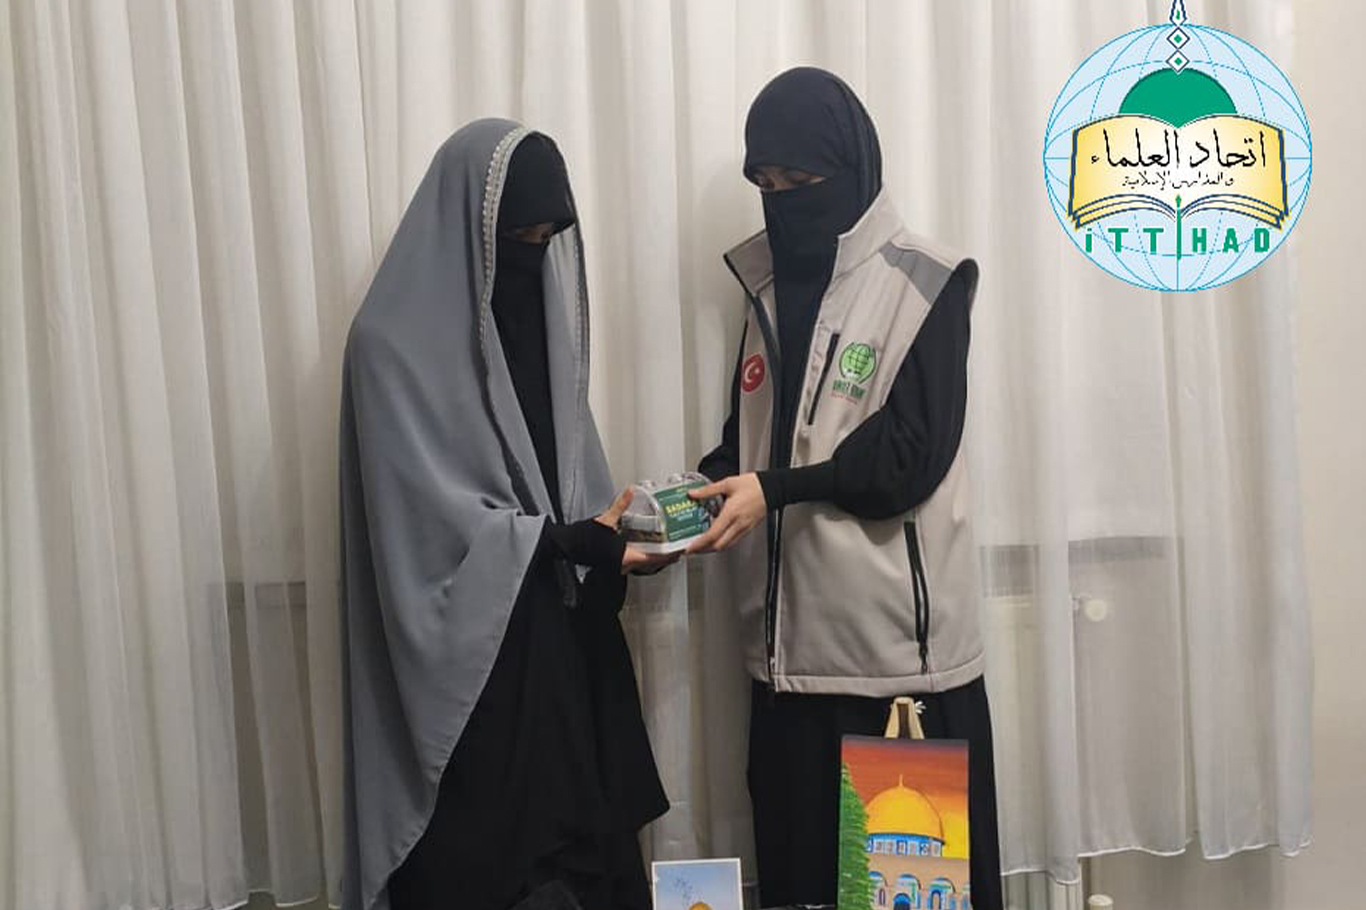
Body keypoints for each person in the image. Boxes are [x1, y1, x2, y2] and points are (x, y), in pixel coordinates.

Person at [688, 68, 1003, 910]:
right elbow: (753, 441)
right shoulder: (763, 289)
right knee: (800, 892)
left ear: (851, 169)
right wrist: (693, 499)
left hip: (894, 681)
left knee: (903, 898)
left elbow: (906, 461)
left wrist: (772, 489)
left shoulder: (926, 282)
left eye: (801, 180)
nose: (782, 202)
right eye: (766, 183)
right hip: (784, 678)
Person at [339, 120, 673, 910]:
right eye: (519, 238)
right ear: (471, 229)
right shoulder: (387, 350)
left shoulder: (542, 334)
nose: (534, 256)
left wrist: (617, 533)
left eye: (549, 238)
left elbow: (571, 478)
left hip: (564, 659)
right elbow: (417, 535)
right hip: (469, 684)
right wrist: (564, 541)